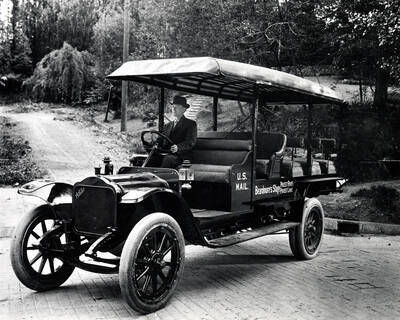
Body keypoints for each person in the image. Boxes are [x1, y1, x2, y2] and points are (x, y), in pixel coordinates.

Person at [157, 95, 197, 168]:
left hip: (182, 156)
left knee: (168, 159)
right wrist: (154, 141)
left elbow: (190, 142)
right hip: (167, 153)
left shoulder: (190, 124)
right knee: (151, 158)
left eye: (177, 106)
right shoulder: (167, 126)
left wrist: (178, 147)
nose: (173, 109)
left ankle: (162, 178)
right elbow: (161, 141)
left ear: (184, 109)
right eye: (173, 107)